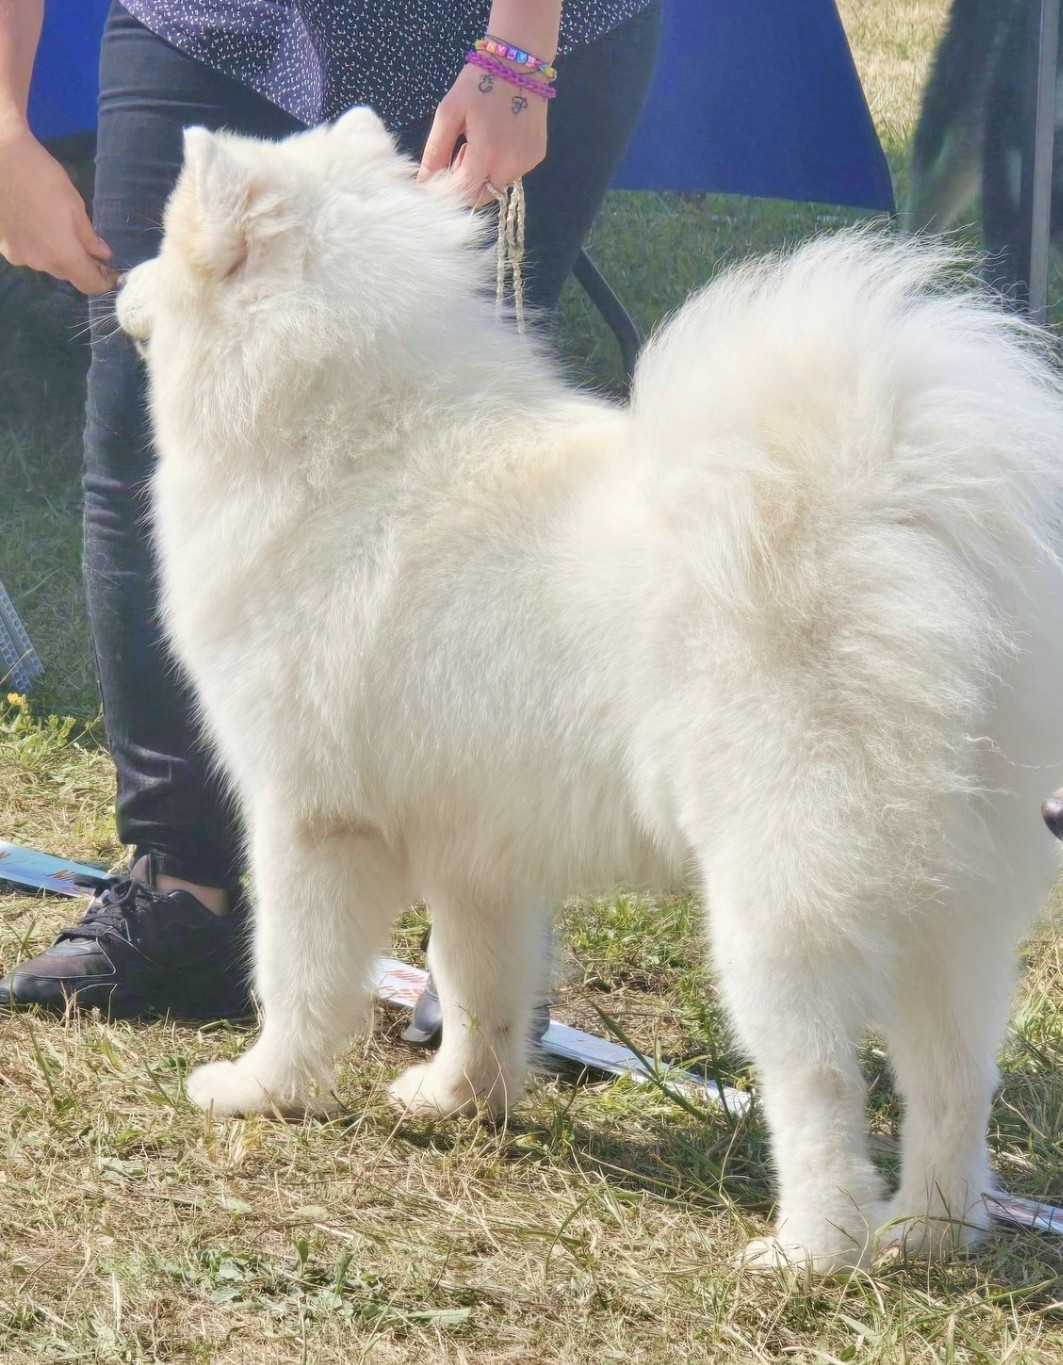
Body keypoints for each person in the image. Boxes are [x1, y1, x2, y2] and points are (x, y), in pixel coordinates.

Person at [0, 0, 660, 1021]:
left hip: (497, 30)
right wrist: (3, 122)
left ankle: (478, 927)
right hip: (206, 21)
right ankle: (180, 885)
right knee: (142, 430)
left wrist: (519, 49)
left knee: (476, 464)